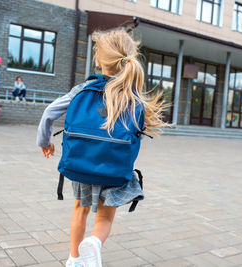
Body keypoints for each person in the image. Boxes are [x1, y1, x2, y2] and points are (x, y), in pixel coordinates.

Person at [36, 30, 165, 267]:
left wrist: (45, 141)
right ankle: (94, 243)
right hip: (114, 169)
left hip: (81, 164)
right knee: (104, 217)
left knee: (80, 209)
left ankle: (74, 260)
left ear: (99, 60)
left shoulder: (82, 90)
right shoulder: (133, 97)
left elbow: (48, 113)